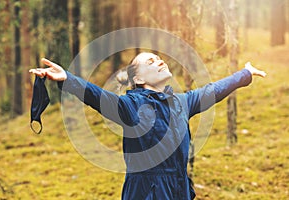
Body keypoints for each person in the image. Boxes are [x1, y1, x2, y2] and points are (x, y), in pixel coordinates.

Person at [29, 52, 266, 200]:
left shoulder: (181, 102)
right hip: (147, 192)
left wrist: (245, 74)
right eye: (151, 61)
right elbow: (99, 97)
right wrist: (69, 79)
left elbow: (212, 91)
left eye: (159, 58)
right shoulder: (131, 106)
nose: (160, 60)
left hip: (179, 189)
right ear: (139, 79)